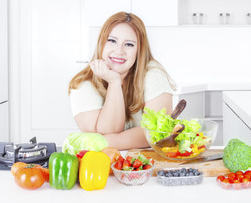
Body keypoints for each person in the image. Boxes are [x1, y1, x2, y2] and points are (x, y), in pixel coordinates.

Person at [68, 12, 176, 150]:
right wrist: (114, 82)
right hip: (102, 164)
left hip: (148, 162)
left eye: (129, 44)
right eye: (112, 41)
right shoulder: (82, 85)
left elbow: (158, 133)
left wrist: (113, 140)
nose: (119, 51)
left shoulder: (153, 73)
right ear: (101, 43)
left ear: (139, 50)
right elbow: (107, 131)